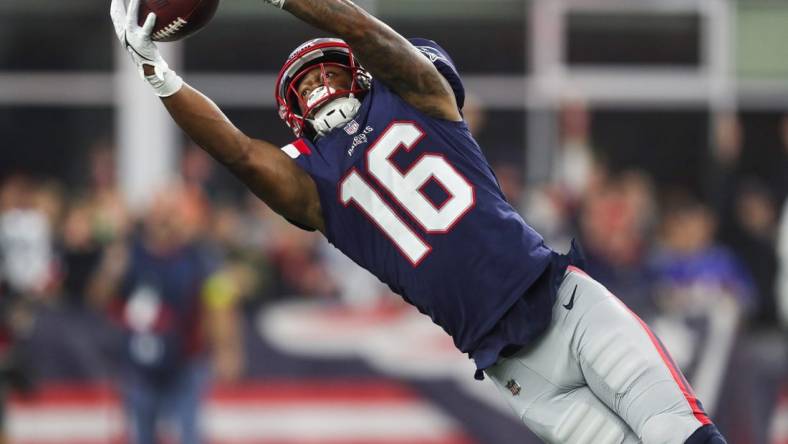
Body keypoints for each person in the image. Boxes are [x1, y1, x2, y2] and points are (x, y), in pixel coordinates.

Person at [110, 0, 727, 442]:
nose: (321, 86)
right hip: (516, 371)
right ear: (292, 117)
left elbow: (366, 33)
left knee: (683, 433)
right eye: (305, 85)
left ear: (362, 73)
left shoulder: (424, 102)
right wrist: (159, 76)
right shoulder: (313, 186)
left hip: (567, 307)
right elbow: (238, 152)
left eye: (329, 70)